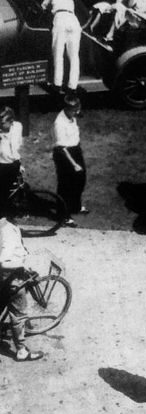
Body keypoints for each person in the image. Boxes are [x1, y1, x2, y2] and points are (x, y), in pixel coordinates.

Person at [0, 216, 44, 362]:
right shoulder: (8, 230)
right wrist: (23, 265)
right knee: (18, 315)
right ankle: (21, 351)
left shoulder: (3, 225)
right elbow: (4, 261)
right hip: (12, 278)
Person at [52, 95, 88, 228]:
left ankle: (76, 207)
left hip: (75, 149)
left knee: (80, 180)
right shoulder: (59, 123)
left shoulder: (71, 116)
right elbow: (62, 148)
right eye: (75, 110)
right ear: (67, 109)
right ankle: (64, 216)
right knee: (66, 186)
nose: (77, 113)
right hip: (64, 154)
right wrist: (74, 164)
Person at [41, 0, 81, 94]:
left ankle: (57, 84)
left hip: (60, 18)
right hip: (73, 19)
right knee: (74, 56)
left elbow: (43, 6)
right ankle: (72, 86)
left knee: (58, 55)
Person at [0, 107, 23, 216]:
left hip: (14, 163)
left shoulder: (18, 127)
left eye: (2, 123)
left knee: (12, 191)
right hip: (2, 165)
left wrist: (19, 162)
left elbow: (18, 145)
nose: (0, 125)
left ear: (11, 121)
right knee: (3, 193)